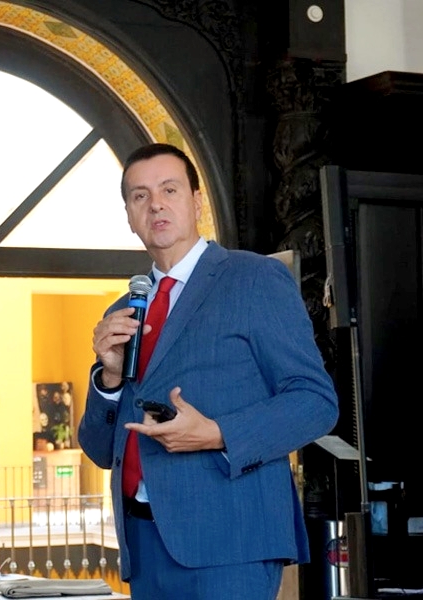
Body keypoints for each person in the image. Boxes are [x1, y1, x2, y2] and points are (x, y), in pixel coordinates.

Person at [77, 143, 339, 600]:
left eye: (169, 189)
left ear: (196, 202)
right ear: (129, 215)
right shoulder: (124, 310)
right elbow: (101, 450)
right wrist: (110, 379)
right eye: (140, 196)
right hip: (143, 544)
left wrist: (218, 433)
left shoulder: (253, 279)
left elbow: (316, 402)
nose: (155, 204)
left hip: (230, 542)